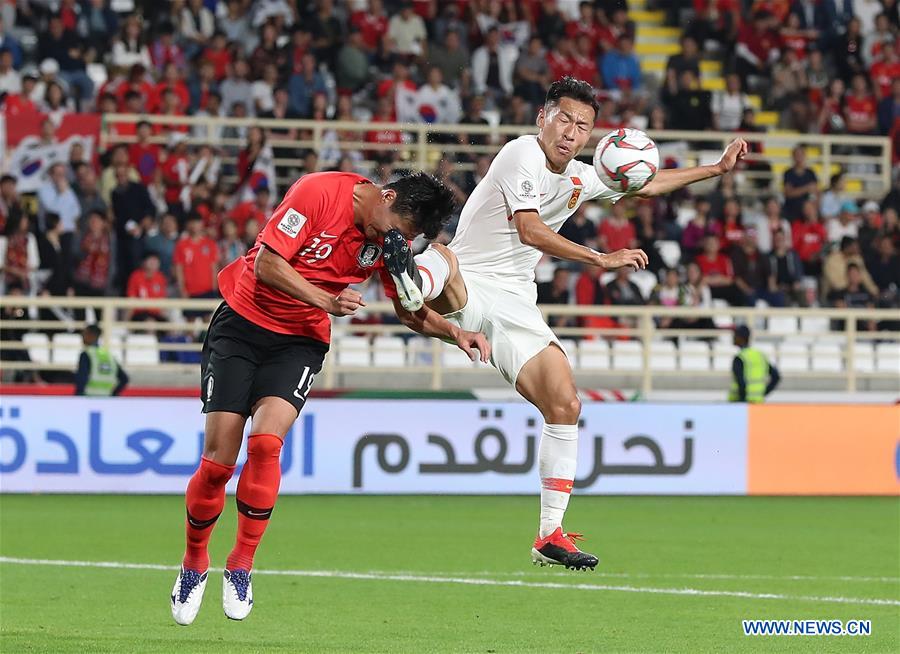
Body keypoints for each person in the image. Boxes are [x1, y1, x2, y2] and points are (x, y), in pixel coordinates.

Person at [394, 77, 748, 571]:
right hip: (469, 278)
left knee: (565, 403)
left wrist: (717, 168)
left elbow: (645, 184)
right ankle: (411, 278)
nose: (571, 132)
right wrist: (599, 258)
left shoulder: (581, 177)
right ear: (543, 118)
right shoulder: (520, 153)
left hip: (516, 302)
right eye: (564, 119)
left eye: (582, 126)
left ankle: (549, 535)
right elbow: (529, 228)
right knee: (446, 258)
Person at [170, 171, 489, 626]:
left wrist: (455, 332)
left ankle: (241, 565)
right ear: (387, 196)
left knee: (266, 443)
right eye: (397, 229)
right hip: (242, 324)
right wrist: (325, 299)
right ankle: (194, 561)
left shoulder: (388, 241)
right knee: (218, 464)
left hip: (299, 341)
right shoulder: (318, 192)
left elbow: (409, 311)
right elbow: (266, 264)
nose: (391, 239)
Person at [729, 325, 780, 403]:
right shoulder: (759, 355)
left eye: (735, 335)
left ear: (740, 338)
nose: (733, 337)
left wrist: (742, 401)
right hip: (758, 403)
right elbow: (776, 377)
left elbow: (741, 383)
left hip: (741, 403)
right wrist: (762, 393)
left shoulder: (740, 358)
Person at [74, 324, 128, 396]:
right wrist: (113, 394)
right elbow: (124, 379)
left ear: (92, 335)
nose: (82, 337)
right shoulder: (109, 355)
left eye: (84, 334)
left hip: (89, 397)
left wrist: (78, 396)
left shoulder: (86, 354)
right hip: (106, 398)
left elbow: (82, 379)